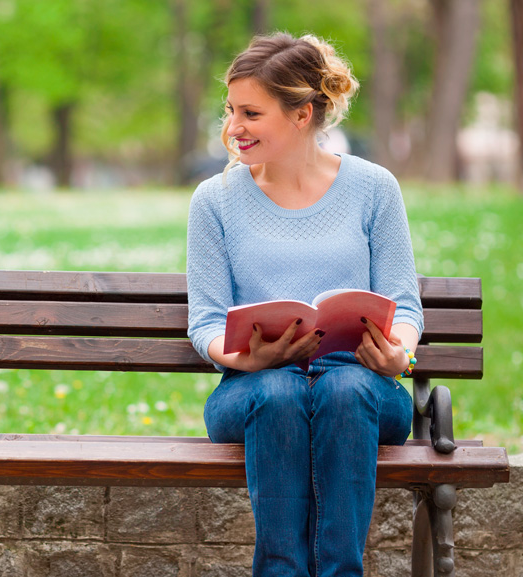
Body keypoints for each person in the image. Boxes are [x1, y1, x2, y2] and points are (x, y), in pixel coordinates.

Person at [185, 33, 422, 577]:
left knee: (342, 389)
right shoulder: (214, 200)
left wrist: (398, 357)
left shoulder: (373, 188)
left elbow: (404, 305)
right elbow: (205, 320)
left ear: (301, 115)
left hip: (361, 383)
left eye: (251, 112)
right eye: (230, 111)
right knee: (280, 392)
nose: (233, 127)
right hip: (250, 389)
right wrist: (246, 359)